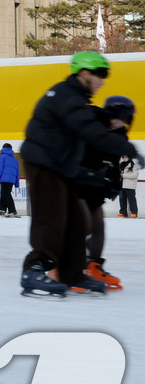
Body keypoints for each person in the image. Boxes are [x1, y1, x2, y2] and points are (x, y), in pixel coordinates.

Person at [17, 51, 136, 299]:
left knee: (76, 221)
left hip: (59, 166)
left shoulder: (74, 98)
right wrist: (126, 148)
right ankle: (33, 270)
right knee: (51, 218)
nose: (102, 81)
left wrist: (113, 121)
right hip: (43, 162)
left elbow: (90, 116)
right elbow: (87, 127)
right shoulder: (65, 95)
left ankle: (73, 274)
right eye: (99, 75)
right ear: (84, 73)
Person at [81, 95, 132, 291]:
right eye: (120, 118)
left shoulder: (120, 136)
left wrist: (114, 181)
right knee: (82, 226)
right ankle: (69, 268)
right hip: (79, 185)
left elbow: (112, 163)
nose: (122, 123)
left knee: (99, 226)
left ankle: (94, 266)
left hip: (96, 189)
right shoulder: (93, 127)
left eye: (126, 120)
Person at [0, 143, 20, 217]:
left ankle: (12, 210)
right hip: (11, 179)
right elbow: (17, 171)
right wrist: (17, 182)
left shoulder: (2, 157)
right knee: (4, 193)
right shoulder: (15, 159)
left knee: (6, 194)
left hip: (4, 178)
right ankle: (2, 209)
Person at [121, 144, 140, 219]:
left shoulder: (133, 166)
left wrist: (123, 175)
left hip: (130, 186)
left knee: (132, 201)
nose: (124, 158)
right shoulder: (121, 165)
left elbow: (134, 175)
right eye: (123, 157)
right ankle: (123, 213)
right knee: (122, 201)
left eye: (126, 157)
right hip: (122, 186)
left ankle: (134, 213)